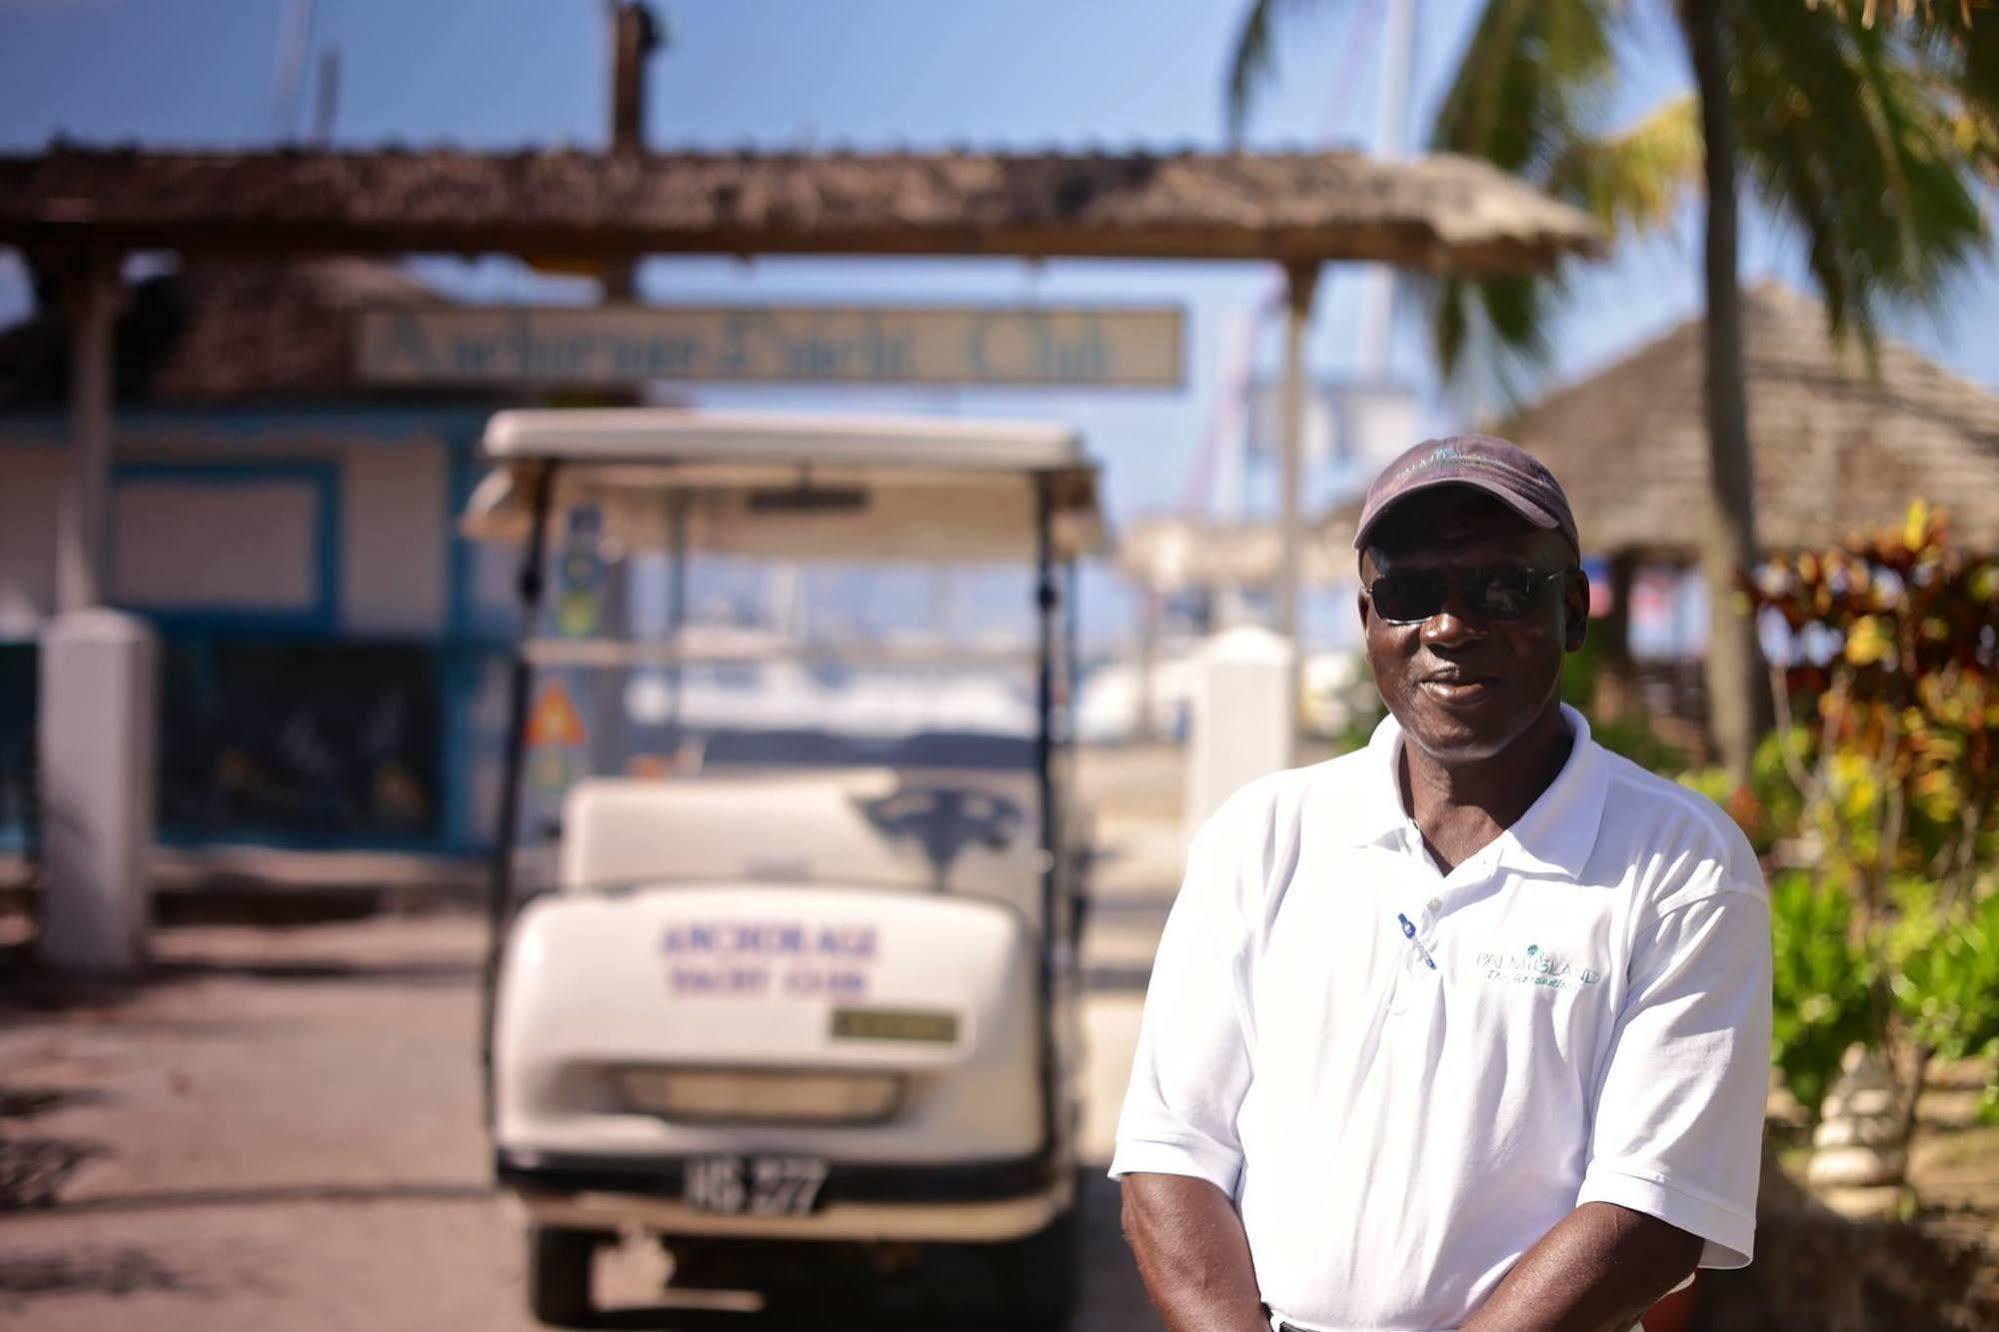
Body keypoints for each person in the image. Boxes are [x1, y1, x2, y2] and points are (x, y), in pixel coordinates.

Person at [1112, 435, 1773, 1332]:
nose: (1450, 626)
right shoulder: (1260, 837)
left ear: (1573, 612)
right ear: (1368, 621)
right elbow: (1171, 1154)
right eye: (1410, 592)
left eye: (1501, 588)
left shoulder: (1682, 866)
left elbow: (1654, 1212)